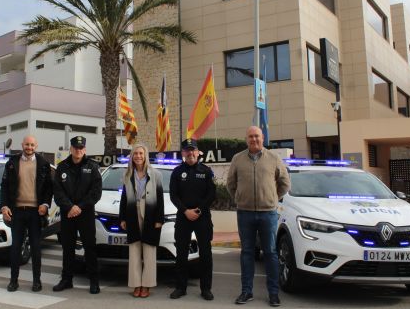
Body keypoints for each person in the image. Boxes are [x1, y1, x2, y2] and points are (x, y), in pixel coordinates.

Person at [226, 126, 291, 307]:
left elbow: (285, 184)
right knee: (247, 252)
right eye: (250, 137)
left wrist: (271, 198)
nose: (254, 139)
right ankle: (246, 291)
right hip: (244, 213)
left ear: (263, 138)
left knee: (270, 252)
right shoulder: (237, 159)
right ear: (246, 139)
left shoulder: (274, 158)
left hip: (268, 213)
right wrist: (240, 199)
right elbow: (230, 184)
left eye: (257, 136)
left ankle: (273, 293)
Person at [0, 135, 52, 292]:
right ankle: (13, 281)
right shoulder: (12, 163)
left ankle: (37, 281)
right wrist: (4, 206)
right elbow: (4, 186)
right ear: (22, 145)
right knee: (16, 247)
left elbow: (49, 188)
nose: (29, 147)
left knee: (36, 248)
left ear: (36, 146)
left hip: (36, 213)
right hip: (17, 212)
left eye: (32, 145)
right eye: (27, 144)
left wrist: (45, 204)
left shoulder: (43, 164)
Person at [52, 135, 102, 294]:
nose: (78, 150)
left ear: (85, 149)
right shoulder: (62, 167)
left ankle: (94, 281)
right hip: (68, 214)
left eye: (81, 148)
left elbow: (96, 192)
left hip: (85, 214)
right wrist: (70, 207)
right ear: (71, 149)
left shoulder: (93, 167)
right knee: (68, 248)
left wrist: (79, 207)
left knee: (90, 248)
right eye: (75, 147)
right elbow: (58, 192)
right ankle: (66, 280)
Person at [169, 139, 216, 301]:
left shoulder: (206, 171)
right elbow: (173, 195)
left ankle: (206, 288)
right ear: (183, 153)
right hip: (183, 218)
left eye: (192, 150)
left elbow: (211, 194)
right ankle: (180, 288)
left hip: (202, 218)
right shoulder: (177, 172)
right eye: (187, 150)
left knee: (205, 254)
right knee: (181, 254)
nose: (190, 153)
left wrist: (198, 210)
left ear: (198, 152)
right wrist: (185, 211)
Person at [119, 143, 165, 298]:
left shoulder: (156, 174)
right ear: (132, 156)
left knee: (149, 250)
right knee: (134, 250)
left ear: (145, 156)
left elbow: (160, 198)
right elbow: (124, 198)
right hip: (132, 212)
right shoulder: (127, 175)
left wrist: (159, 219)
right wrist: (122, 217)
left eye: (141, 153)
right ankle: (136, 284)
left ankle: (147, 285)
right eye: (135, 153)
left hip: (151, 213)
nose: (138, 156)